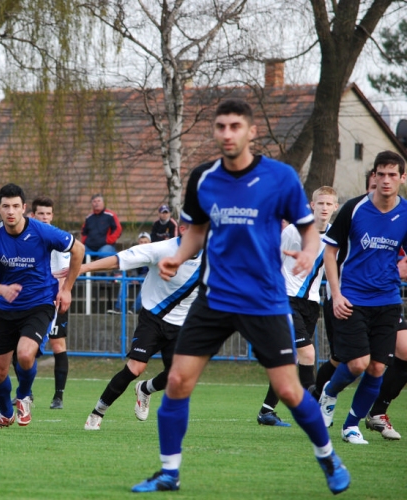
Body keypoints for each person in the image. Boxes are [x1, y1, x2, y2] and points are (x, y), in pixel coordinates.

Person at [132, 99, 349, 494]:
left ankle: (327, 455)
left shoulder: (279, 177)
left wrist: (306, 249)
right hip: (214, 298)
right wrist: (178, 256)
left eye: (235, 126)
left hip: (264, 300)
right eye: (221, 126)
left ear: (251, 132)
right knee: (178, 381)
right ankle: (168, 473)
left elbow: (308, 228)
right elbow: (196, 231)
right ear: (215, 132)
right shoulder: (203, 178)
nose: (227, 133)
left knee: (288, 389)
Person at [319, 150, 407, 445]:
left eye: (392, 174)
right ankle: (330, 392)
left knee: (378, 367)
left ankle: (351, 426)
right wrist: (336, 293)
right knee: (357, 363)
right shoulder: (354, 209)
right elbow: (330, 252)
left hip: (388, 300)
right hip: (352, 299)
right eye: (380, 174)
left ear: (402, 178)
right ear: (373, 176)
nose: (385, 180)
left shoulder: (406, 213)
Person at [0, 183, 84, 429]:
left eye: (16, 206)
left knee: (26, 354)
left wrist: (66, 288)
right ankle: (5, 414)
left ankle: (24, 396)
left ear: (25, 208)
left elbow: (78, 249)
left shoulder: (42, 231)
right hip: (6, 309)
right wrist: (2, 289)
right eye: (6, 206)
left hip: (40, 304)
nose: (11, 211)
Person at [82, 223, 201, 430]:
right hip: (153, 317)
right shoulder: (162, 249)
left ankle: (145, 389)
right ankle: (97, 412)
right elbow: (119, 260)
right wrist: (82, 268)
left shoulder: (215, 256)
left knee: (179, 377)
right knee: (135, 367)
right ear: (183, 229)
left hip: (182, 324)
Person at [256, 186, 339, 426]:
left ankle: (266, 411)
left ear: (335, 207)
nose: (324, 207)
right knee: (308, 353)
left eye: (329, 204)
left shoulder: (336, 236)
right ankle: (313, 407)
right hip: (285, 300)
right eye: (320, 203)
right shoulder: (294, 231)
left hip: (311, 303)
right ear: (312, 205)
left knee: (290, 359)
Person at [311, 172, 378, 401]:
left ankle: (376, 412)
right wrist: (336, 294)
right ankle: (320, 396)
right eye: (373, 186)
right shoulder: (351, 216)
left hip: (381, 299)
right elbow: (330, 255)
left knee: (378, 360)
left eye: (329, 204)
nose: (379, 189)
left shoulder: (395, 216)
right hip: (343, 299)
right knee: (341, 357)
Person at [31, 196, 72, 409]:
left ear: (52, 216)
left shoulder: (57, 238)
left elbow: (64, 272)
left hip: (52, 299)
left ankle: (58, 397)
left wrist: (63, 292)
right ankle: (25, 393)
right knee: (24, 346)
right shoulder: (27, 237)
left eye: (48, 214)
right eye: (41, 214)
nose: (45, 218)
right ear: (33, 215)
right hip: (30, 300)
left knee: (57, 345)